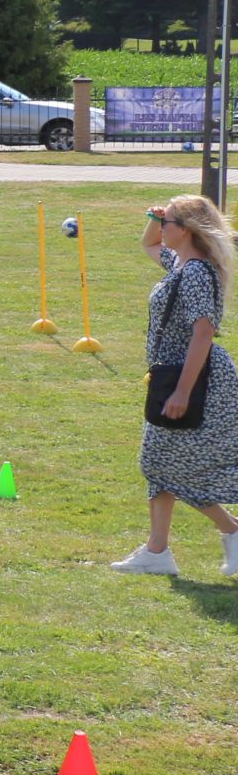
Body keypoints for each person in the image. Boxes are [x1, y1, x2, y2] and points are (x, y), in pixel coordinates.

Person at [112, 195, 238, 577]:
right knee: (160, 461)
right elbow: (149, 244)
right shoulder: (180, 261)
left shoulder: (196, 271)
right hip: (171, 375)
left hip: (194, 379)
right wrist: (156, 215)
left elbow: (204, 333)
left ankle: (231, 530)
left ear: (184, 231)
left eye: (168, 222)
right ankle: (157, 551)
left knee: (163, 464)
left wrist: (183, 391)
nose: (161, 228)